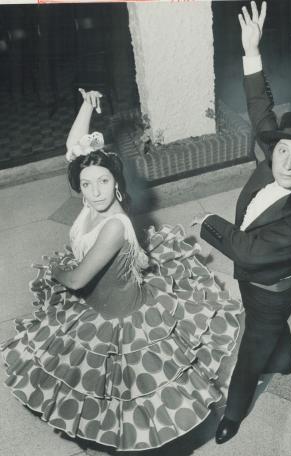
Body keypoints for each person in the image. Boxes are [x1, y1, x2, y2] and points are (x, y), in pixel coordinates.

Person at [1, 89, 242, 451]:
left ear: (118, 183)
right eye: (86, 184)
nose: (96, 192)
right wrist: (85, 106)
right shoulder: (90, 198)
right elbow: (74, 148)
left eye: (104, 182)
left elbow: (79, 279)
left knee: (133, 392)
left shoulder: (114, 226)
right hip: (102, 297)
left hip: (122, 316)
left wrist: (56, 273)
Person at [193, 0, 291, 445]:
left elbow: (249, 250)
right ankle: (286, 357)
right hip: (254, 285)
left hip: (272, 289)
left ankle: (233, 415)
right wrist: (252, 51)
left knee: (250, 353)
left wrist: (208, 221)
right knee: (267, 328)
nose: (286, 162)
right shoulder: (275, 155)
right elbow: (260, 107)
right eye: (283, 149)